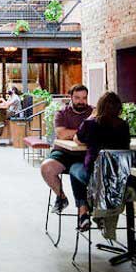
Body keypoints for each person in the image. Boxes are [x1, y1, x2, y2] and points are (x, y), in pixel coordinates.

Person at [74, 91, 131, 229]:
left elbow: (77, 139)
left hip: (95, 174)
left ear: (99, 107)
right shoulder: (123, 125)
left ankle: (84, 212)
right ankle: (97, 211)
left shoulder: (90, 124)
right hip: (120, 176)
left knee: (74, 170)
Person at [40, 84, 93, 216]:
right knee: (46, 168)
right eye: (77, 98)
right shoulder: (62, 113)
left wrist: (74, 133)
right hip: (64, 153)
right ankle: (61, 197)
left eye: (84, 98)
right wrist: (84, 132)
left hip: (85, 154)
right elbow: (62, 134)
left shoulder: (93, 112)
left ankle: (87, 209)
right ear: (71, 97)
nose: (81, 101)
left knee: (80, 171)